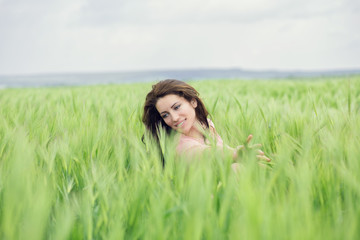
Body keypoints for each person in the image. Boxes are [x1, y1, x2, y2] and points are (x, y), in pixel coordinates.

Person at [142, 79, 270, 167]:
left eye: (176, 107)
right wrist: (236, 154)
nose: (174, 118)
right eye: (165, 115)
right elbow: (205, 155)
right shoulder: (177, 143)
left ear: (193, 102)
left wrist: (244, 156)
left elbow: (223, 151)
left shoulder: (207, 125)